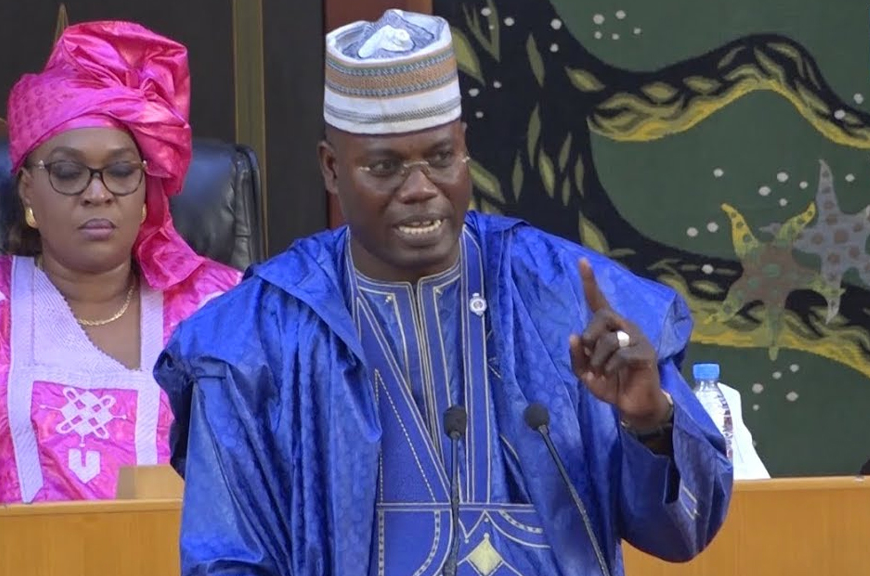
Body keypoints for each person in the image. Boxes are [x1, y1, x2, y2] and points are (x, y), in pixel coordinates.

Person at [155, 9, 732, 576]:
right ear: (331, 169)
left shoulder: (562, 295)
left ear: (464, 149)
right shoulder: (259, 337)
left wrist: (650, 421)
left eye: (439, 158)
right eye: (385, 167)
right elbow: (225, 559)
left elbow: (686, 533)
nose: (420, 189)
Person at [0, 21, 240, 508]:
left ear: (146, 191)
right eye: (69, 172)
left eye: (120, 171)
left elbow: (284, 468)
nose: (97, 193)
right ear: (28, 190)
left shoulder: (222, 310)